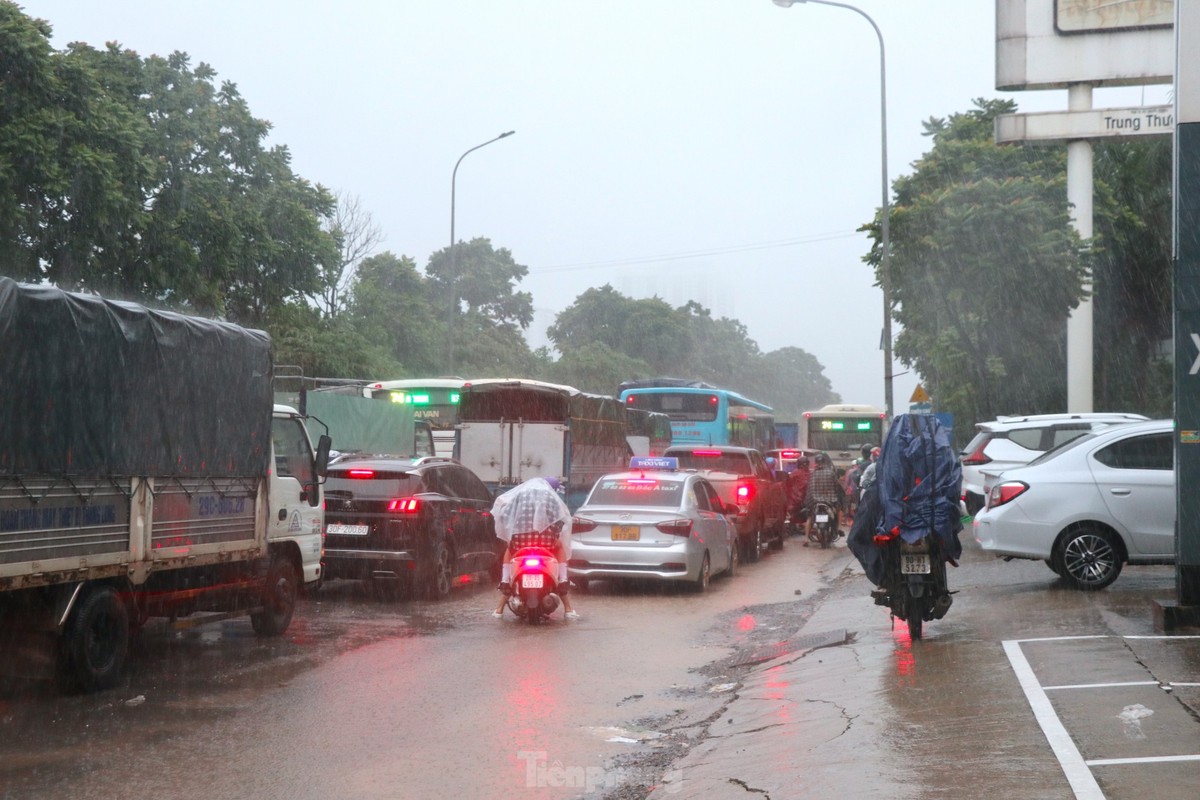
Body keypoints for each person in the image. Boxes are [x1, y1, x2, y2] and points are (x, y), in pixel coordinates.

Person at [491, 476, 579, 620]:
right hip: (545, 544)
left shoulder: (519, 496)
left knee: (509, 548)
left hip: (520, 544)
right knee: (559, 546)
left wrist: (515, 533)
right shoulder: (551, 498)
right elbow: (561, 520)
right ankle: (564, 588)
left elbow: (505, 516)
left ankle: (504, 586)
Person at [803, 452, 845, 544]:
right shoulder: (831, 473)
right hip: (830, 500)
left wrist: (808, 501)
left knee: (810, 516)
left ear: (816, 462)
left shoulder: (812, 474)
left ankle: (806, 538)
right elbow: (836, 486)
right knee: (839, 510)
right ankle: (839, 528)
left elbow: (809, 489)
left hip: (815, 501)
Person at [783, 455, 810, 534]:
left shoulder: (796, 472)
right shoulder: (810, 473)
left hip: (796, 499)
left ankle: (793, 527)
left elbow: (788, 482)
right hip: (807, 498)